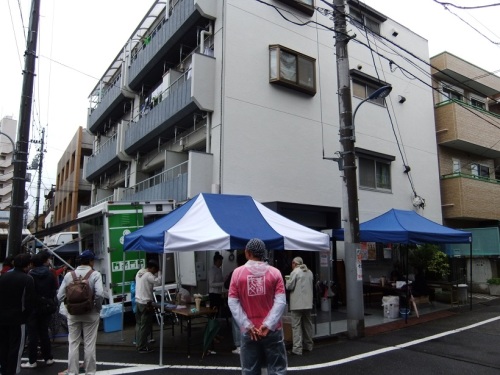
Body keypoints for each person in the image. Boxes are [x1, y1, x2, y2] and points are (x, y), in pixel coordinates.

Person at [228, 238, 287, 375]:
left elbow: (232, 301)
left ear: (247, 253)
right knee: (277, 369)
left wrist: (247, 325)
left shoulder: (237, 274)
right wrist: (268, 324)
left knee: (250, 370)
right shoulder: (275, 273)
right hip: (272, 330)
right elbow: (280, 301)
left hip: (250, 331)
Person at [57, 250, 103, 375]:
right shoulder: (95, 275)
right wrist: (97, 308)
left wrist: (67, 308)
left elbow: (59, 296)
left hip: (73, 314)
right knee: (89, 344)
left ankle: (72, 372)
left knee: (73, 343)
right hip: (91, 313)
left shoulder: (69, 275)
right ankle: (90, 372)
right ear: (91, 261)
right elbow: (99, 294)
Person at [0, 253, 36, 375]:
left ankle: (3, 370)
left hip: (2, 317)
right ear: (27, 265)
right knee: (16, 348)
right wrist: (26, 316)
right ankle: (13, 371)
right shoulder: (27, 279)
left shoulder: (3, 277)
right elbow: (29, 301)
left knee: (4, 346)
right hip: (18, 318)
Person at [21, 252, 58, 368]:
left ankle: (32, 361)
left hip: (32, 308)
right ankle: (48, 358)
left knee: (32, 335)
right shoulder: (50, 274)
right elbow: (54, 290)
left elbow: (26, 293)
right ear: (44, 261)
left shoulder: (29, 275)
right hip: (46, 307)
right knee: (44, 333)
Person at [285, 257, 314, 356]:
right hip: (308, 303)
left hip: (297, 304)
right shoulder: (309, 272)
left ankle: (297, 349)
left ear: (294, 263)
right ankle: (308, 345)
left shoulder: (295, 272)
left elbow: (289, 286)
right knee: (307, 324)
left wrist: (287, 280)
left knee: (296, 326)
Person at [135, 259, 161, 354]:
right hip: (146, 303)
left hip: (138, 301)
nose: (155, 272)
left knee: (138, 324)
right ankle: (142, 346)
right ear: (153, 268)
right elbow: (159, 282)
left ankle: (138, 342)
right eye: (155, 270)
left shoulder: (140, 272)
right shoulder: (149, 275)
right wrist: (160, 273)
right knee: (145, 326)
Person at [224, 252, 246, 355]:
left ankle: (239, 346)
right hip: (249, 301)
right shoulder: (251, 270)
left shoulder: (235, 272)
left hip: (237, 300)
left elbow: (226, 284)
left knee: (237, 323)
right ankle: (248, 343)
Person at [209, 251, 224, 317]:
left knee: (218, 310)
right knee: (213, 311)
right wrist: (222, 283)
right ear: (215, 262)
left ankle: (217, 324)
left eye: (221, 261)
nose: (221, 263)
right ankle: (212, 325)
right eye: (219, 261)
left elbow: (220, 280)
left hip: (218, 293)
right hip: (213, 294)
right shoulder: (212, 270)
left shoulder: (220, 270)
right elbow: (211, 284)